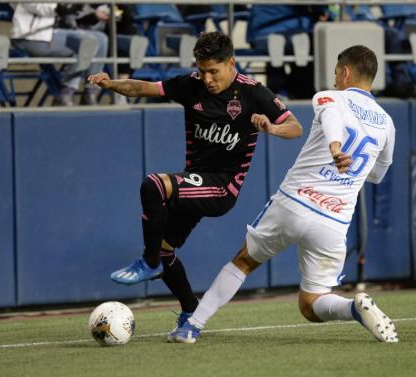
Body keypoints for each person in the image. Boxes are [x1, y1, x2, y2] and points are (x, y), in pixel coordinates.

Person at [170, 45, 399, 344]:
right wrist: (349, 163)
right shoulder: (387, 123)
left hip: (294, 202)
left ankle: (191, 327)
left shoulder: (330, 97)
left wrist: (334, 147)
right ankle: (352, 308)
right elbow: (378, 175)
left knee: (243, 262)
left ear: (345, 72)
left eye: (335, 74)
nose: (334, 80)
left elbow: (330, 116)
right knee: (312, 302)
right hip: (334, 220)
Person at [87, 32, 303, 338]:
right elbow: (143, 87)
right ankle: (190, 311)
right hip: (195, 183)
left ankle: (147, 264)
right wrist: (111, 85)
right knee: (166, 250)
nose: (207, 79)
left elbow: (295, 128)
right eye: (202, 71)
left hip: (222, 189)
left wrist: (271, 127)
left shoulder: (254, 93)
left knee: (154, 186)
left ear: (231, 64)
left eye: (213, 71)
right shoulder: (190, 85)